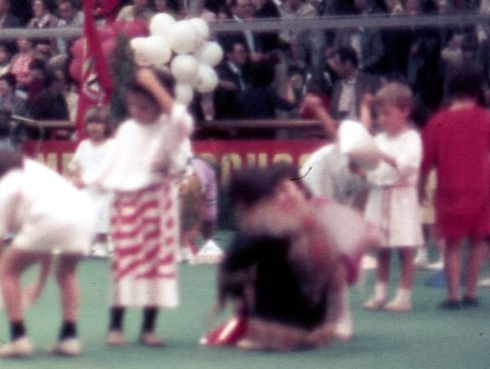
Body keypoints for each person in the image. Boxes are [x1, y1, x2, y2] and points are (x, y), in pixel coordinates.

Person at [82, 67, 190, 347]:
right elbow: (111, 165)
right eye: (133, 105)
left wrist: (154, 86)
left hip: (158, 202)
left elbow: (182, 120)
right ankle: (115, 325)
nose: (137, 111)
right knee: (125, 264)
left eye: (144, 106)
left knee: (156, 266)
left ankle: (148, 327)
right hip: (127, 204)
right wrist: (85, 181)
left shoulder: (169, 126)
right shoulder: (127, 129)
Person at [0, 150, 93, 359]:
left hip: (51, 218)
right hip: (84, 214)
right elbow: (47, 243)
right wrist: (40, 284)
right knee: (66, 272)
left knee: (7, 270)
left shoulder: (1, 190)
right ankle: (69, 339)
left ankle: (18, 339)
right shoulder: (37, 171)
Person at [206, 166, 345, 351]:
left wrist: (225, 300)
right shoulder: (308, 222)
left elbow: (230, 271)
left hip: (277, 331)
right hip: (318, 327)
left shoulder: (258, 227)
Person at [421, 64, 490, 308]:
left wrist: (420, 188)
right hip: (481, 188)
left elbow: (426, 160)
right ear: (478, 88)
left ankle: (453, 295)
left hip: (450, 189)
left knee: (452, 243)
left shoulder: (439, 121)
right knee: (478, 240)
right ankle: (470, 293)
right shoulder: (486, 119)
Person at [358, 83, 423, 312]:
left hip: (402, 198)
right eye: (379, 114)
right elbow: (370, 167)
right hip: (379, 196)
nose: (382, 119)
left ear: (405, 111)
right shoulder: (379, 139)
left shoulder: (412, 138)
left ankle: (404, 296)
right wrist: (364, 167)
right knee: (381, 248)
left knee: (405, 249)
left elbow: (406, 166)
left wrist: (381, 156)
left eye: (387, 113)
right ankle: (380, 293)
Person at [66, 108, 113, 256]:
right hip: (86, 188)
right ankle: (86, 241)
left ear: (106, 126)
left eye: (98, 123)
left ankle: (102, 242)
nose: (94, 127)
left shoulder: (112, 145)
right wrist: (74, 175)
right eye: (91, 123)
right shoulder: (84, 145)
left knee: (103, 207)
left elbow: (108, 169)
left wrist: (86, 181)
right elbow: (75, 164)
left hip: (104, 188)